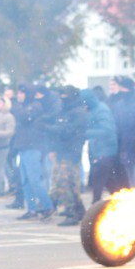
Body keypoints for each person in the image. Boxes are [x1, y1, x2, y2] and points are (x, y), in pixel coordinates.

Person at [10, 84, 51, 220]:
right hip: (24, 147)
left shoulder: (35, 106)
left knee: (34, 179)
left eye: (22, 93)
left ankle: (47, 206)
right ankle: (32, 209)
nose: (19, 96)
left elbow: (24, 118)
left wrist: (15, 106)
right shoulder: (24, 106)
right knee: (26, 181)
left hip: (32, 147)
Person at [50, 85, 87, 226]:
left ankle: (72, 212)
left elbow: (69, 132)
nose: (62, 98)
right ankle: (79, 210)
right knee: (70, 183)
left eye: (65, 95)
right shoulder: (64, 111)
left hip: (72, 152)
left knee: (66, 183)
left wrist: (55, 129)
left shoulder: (78, 112)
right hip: (62, 151)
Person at [108, 76, 135, 187]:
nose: (122, 91)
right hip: (125, 147)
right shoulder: (119, 105)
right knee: (130, 178)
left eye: (124, 88)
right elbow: (116, 125)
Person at [81, 86, 121, 204]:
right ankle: (121, 203)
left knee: (99, 180)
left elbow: (107, 130)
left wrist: (85, 133)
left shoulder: (102, 110)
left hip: (106, 150)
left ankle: (95, 204)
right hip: (98, 150)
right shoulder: (93, 110)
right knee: (109, 181)